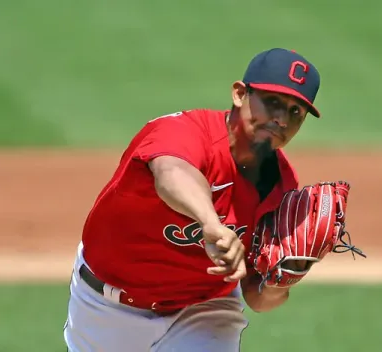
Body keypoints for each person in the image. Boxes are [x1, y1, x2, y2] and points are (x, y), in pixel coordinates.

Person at [63, 48, 322, 352]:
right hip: (107, 308)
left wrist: (282, 282)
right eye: (273, 102)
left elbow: (257, 298)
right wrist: (211, 224)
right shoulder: (185, 131)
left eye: (295, 112)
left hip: (204, 310)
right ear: (240, 94)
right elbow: (172, 172)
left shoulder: (279, 185)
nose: (281, 119)